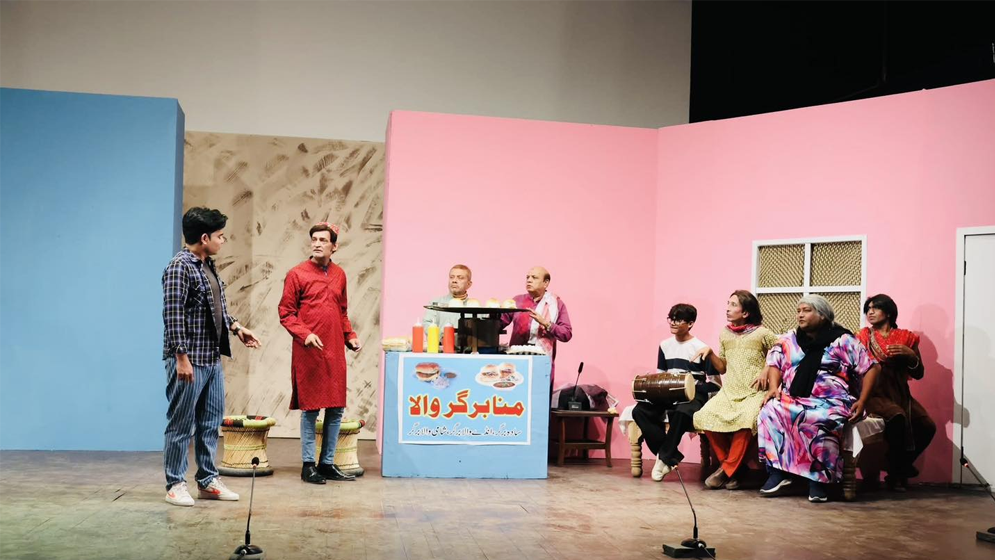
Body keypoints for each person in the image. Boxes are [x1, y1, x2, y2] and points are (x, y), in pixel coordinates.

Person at [162, 207, 261, 507]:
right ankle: (175, 483)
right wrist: (181, 357)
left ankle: (207, 480)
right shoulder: (180, 267)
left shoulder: (207, 265)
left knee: (209, 422)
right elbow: (173, 315)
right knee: (181, 424)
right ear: (204, 238)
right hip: (189, 359)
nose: (223, 240)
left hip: (211, 358)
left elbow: (215, 306)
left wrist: (236, 327)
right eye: (220, 235)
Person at [757, 295, 880, 503]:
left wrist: (863, 401)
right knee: (769, 411)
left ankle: (819, 480)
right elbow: (775, 362)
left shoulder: (842, 340)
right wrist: (773, 388)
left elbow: (871, 368)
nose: (800, 315)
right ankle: (778, 473)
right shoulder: (790, 339)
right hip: (794, 397)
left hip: (832, 400)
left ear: (823, 315)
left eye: (806, 310)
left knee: (820, 418)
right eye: (798, 311)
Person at [278, 222, 362, 484]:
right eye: (314, 239)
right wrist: (305, 334)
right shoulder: (297, 274)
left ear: (334, 246)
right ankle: (308, 465)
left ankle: (326, 463)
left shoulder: (339, 274)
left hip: (334, 349)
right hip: (309, 351)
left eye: (323, 240)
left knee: (336, 408)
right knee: (311, 409)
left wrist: (350, 336)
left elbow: (342, 311)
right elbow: (286, 313)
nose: (317, 244)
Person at [692, 290, 779, 490]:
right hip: (729, 392)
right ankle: (734, 470)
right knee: (704, 416)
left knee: (748, 420)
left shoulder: (762, 333)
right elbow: (722, 367)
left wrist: (766, 369)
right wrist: (711, 353)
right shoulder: (725, 333)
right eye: (728, 304)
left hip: (754, 392)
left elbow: (782, 352)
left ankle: (726, 470)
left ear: (745, 312)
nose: (727, 309)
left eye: (733, 305)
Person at [855, 294, 935, 491]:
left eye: (876, 308)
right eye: (868, 309)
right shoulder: (862, 337)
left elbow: (918, 373)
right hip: (873, 393)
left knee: (927, 426)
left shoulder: (907, 338)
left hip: (900, 393)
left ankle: (899, 466)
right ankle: (898, 473)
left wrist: (911, 356)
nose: (870, 312)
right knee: (897, 417)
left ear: (889, 312)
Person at [631, 304, 718, 481]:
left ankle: (664, 457)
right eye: (671, 319)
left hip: (693, 395)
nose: (673, 323)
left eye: (678, 320)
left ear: (690, 323)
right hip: (668, 394)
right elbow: (661, 375)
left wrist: (690, 388)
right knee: (639, 411)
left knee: (682, 411)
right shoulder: (664, 346)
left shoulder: (701, 347)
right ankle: (669, 456)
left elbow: (715, 384)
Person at [501, 266, 573, 381]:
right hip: (517, 362)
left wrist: (546, 324)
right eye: (527, 277)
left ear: (546, 283)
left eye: (534, 277)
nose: (529, 280)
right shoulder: (517, 301)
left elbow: (566, 334)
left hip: (542, 362)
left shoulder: (556, 304)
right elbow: (499, 323)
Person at [423, 264, 473, 335]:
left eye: (460, 278)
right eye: (451, 277)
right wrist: (443, 338)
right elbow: (427, 324)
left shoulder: (475, 307)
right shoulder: (435, 304)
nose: (454, 280)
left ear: (469, 284)